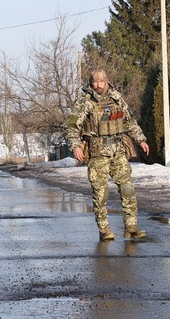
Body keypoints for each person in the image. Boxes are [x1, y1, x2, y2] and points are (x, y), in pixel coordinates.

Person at [67, 68, 151, 241]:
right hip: (97, 153)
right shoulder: (85, 102)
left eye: (101, 81)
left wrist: (141, 139)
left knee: (127, 189)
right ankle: (104, 229)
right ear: (91, 83)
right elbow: (72, 126)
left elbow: (129, 121)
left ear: (106, 81)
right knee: (100, 193)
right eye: (94, 82)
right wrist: (75, 146)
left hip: (118, 151)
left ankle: (131, 227)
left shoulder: (116, 98)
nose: (98, 85)